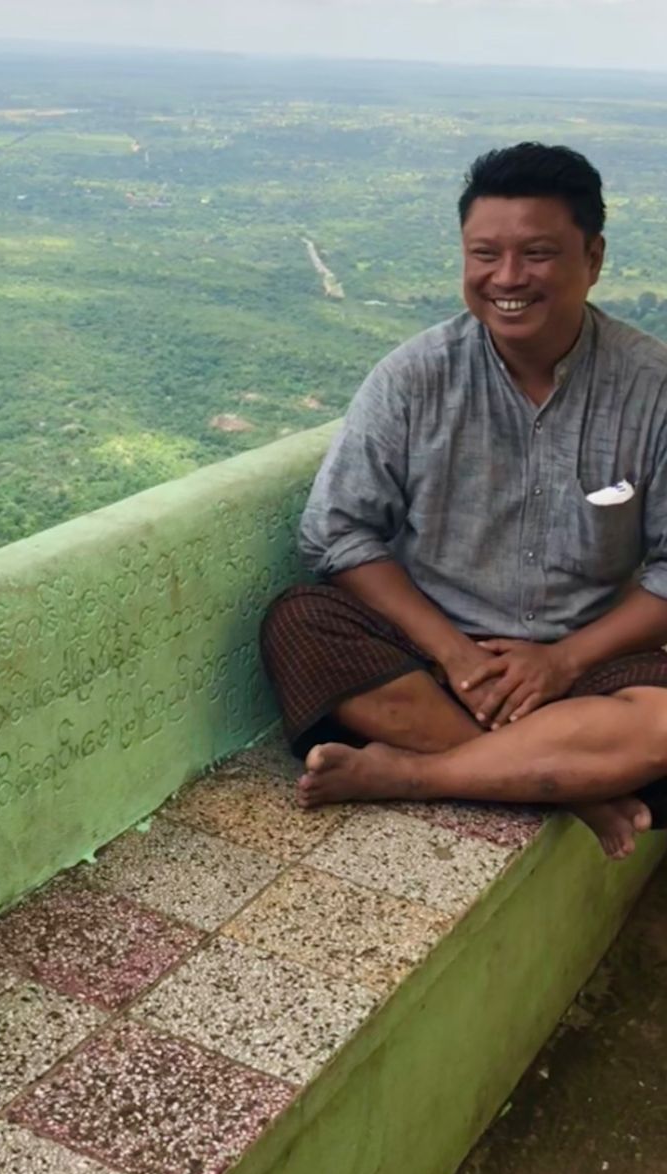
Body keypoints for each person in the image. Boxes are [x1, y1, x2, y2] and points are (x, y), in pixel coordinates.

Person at [262, 143, 667, 859]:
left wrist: (563, 662)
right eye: (485, 253)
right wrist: (455, 655)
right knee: (300, 623)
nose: (507, 277)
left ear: (593, 257)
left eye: (537, 253)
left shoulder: (652, 387)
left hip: (588, 665)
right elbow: (338, 533)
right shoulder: (414, 378)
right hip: (436, 661)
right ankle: (578, 787)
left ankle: (418, 773)